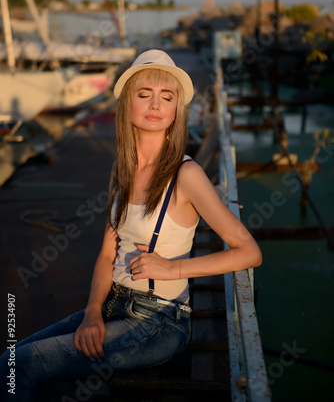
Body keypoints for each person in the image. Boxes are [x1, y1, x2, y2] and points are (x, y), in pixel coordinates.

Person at [0, 49, 262, 401]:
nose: (155, 104)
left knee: (23, 367)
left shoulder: (186, 174)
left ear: (174, 112)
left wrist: (173, 267)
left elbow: (249, 252)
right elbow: (108, 253)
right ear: (127, 105)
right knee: (9, 362)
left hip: (159, 324)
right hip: (112, 306)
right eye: (144, 94)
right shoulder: (120, 171)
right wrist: (92, 313)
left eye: (166, 97)